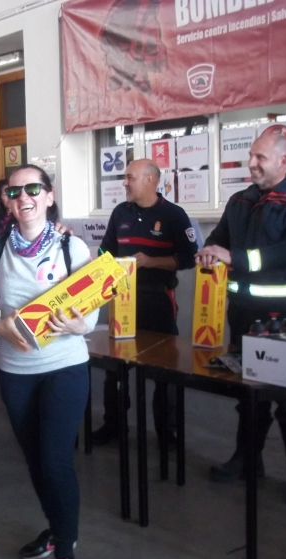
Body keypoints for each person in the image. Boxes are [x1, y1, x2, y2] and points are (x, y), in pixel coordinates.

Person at [0, 164, 96, 559]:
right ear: (6, 199)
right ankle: (57, 528)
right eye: (14, 191)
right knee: (35, 459)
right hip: (16, 372)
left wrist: (79, 325)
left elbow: (90, 315)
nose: (23, 197)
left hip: (64, 367)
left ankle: (66, 553)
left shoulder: (71, 245)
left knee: (55, 459)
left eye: (32, 189)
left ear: (48, 195)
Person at [196, 131, 286, 505]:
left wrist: (233, 257)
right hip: (241, 315)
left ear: (283, 162)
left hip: (283, 319)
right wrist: (209, 251)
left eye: (260, 158)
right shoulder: (240, 200)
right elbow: (218, 239)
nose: (251, 163)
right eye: (251, 156)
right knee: (249, 393)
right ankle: (248, 460)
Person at [92, 159, 197, 448]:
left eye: (130, 177)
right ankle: (114, 425)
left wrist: (151, 261)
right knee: (116, 365)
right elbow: (105, 251)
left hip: (158, 300)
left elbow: (188, 259)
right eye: (125, 177)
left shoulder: (173, 215)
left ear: (150, 180)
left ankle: (167, 432)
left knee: (165, 368)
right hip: (122, 299)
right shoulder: (120, 212)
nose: (124, 183)